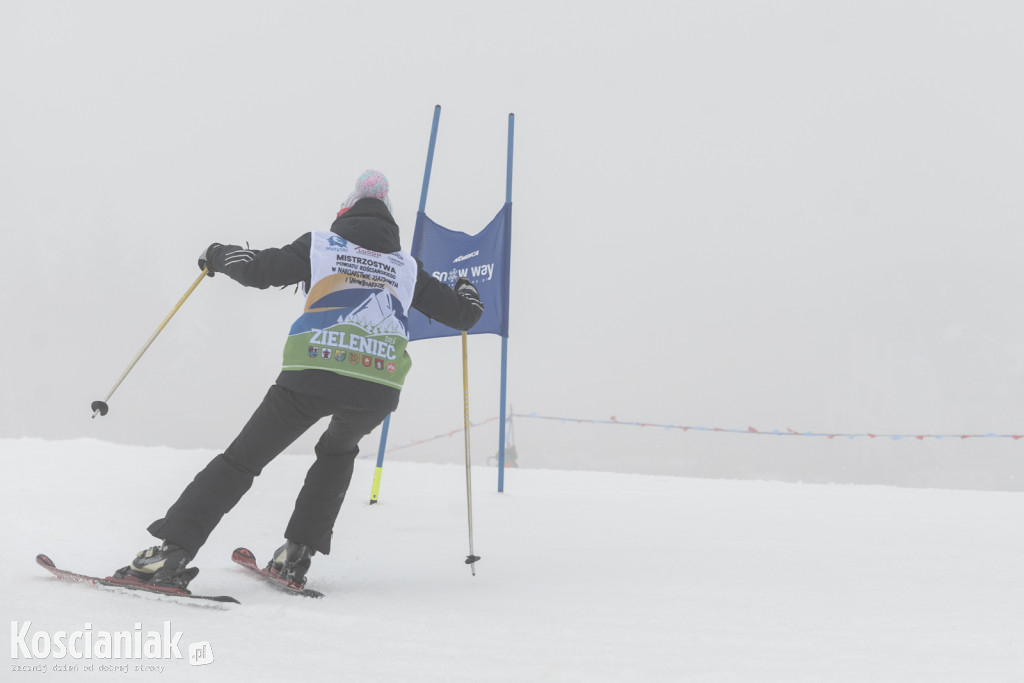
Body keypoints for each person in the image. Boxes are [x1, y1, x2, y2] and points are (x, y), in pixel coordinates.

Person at [114, 170, 484, 590]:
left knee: (242, 461)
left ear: (344, 213)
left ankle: (170, 553)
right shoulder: (406, 266)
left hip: (311, 374)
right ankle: (296, 556)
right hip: (377, 385)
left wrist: (216, 254)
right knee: (337, 455)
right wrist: (467, 289)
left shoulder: (323, 245)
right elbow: (465, 315)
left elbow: (256, 270)